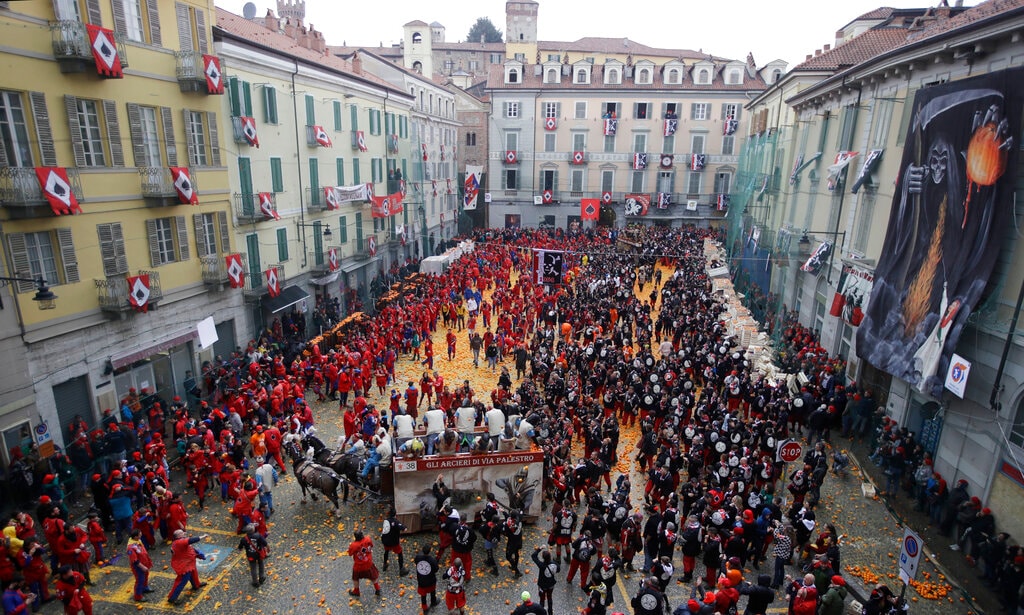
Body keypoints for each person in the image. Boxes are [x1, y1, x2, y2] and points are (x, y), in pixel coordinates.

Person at [167, 529, 208, 605]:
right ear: (178, 536)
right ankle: (172, 597)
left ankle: (196, 584)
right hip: (184, 565)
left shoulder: (178, 542)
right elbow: (191, 540)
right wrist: (202, 536)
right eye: (182, 533)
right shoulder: (180, 542)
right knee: (182, 581)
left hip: (188, 563)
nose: (184, 533)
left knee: (193, 573)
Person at [347, 530, 381, 598]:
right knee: (373, 576)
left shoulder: (354, 545)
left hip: (358, 566)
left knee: (355, 578)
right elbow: (371, 545)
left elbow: (350, 554)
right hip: (368, 564)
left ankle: (356, 591)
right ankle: (377, 589)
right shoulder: (368, 539)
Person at [126, 529, 154, 602]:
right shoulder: (130, 548)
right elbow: (134, 560)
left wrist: (149, 562)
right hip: (138, 567)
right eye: (140, 534)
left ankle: (145, 587)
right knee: (140, 580)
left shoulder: (138, 541)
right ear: (135, 537)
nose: (141, 535)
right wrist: (143, 567)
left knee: (145, 576)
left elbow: (143, 552)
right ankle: (138, 596)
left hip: (144, 563)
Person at [381, 507, 409, 576]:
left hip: (385, 540)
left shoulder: (386, 521)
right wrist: (405, 527)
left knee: (386, 551)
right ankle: (401, 569)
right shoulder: (396, 522)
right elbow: (404, 528)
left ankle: (385, 564)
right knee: (400, 553)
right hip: (393, 541)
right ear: (395, 514)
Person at [531, 547, 559, 615]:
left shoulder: (541, 565)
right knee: (549, 597)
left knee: (542, 599)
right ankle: (550, 612)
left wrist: (539, 549)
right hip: (551, 585)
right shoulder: (554, 564)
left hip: (542, 586)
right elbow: (558, 570)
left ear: (543, 558)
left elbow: (533, 556)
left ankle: (541, 612)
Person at [414, 544, 439, 614]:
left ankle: (424, 608)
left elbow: (415, 562)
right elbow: (436, 569)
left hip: (421, 580)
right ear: (429, 551)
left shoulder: (418, 558)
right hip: (430, 580)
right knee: (432, 591)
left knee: (423, 594)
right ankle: (433, 601)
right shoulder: (432, 560)